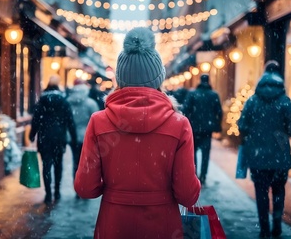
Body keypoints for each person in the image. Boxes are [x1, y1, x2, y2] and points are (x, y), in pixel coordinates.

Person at [74, 27, 201, 239]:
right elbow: (187, 195)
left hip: (113, 225)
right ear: (158, 79)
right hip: (163, 227)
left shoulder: (99, 122)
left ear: (120, 79)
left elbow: (86, 187)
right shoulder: (179, 125)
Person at [237, 60, 291, 238]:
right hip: (280, 157)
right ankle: (277, 226)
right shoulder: (285, 102)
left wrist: (254, 136)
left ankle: (264, 229)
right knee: (279, 192)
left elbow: (242, 125)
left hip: (258, 158)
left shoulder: (252, 101)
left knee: (261, 193)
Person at [29, 75, 77, 204]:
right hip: (59, 138)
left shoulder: (42, 101)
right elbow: (70, 121)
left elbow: (36, 119)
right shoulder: (63, 101)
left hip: (44, 138)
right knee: (58, 165)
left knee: (46, 165)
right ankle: (57, 191)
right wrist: (73, 137)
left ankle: (48, 194)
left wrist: (32, 134)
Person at [183, 73, 223, 185]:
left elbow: (186, 109)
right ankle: (203, 175)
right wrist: (216, 124)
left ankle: (195, 174)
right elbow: (219, 112)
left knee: (193, 152)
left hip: (194, 128)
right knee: (206, 154)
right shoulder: (213, 95)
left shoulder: (192, 94)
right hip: (207, 130)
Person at [66, 79, 99, 182]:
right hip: (86, 136)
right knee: (85, 161)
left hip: (72, 136)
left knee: (75, 160)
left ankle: (76, 182)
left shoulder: (68, 102)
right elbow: (97, 121)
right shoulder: (91, 103)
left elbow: (65, 120)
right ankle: (84, 183)